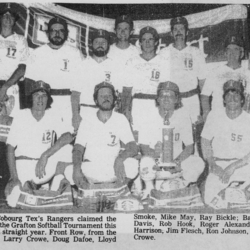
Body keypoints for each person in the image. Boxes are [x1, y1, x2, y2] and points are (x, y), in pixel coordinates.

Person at [5, 80, 74, 207]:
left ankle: (56, 181)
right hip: (24, 167)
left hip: (44, 166)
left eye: (44, 96)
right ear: (31, 98)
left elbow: (68, 136)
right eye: (37, 95)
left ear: (48, 99)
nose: (40, 99)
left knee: (68, 150)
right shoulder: (21, 116)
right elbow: (9, 148)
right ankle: (32, 187)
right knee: (14, 201)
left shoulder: (53, 114)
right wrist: (13, 177)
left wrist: (45, 155)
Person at [138, 81, 204, 198]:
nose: (166, 98)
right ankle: (150, 189)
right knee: (145, 162)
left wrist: (177, 161)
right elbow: (143, 146)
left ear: (177, 99)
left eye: (170, 95)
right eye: (163, 95)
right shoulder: (148, 115)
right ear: (157, 99)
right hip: (156, 163)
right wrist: (155, 156)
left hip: (176, 164)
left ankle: (181, 183)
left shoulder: (183, 115)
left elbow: (189, 147)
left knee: (198, 163)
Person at [65, 82, 139, 186]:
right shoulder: (87, 120)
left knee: (133, 165)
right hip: (92, 168)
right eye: (102, 96)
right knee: (69, 170)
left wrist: (120, 159)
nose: (106, 98)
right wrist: (77, 169)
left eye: (109, 95)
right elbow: (78, 149)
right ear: (96, 100)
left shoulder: (120, 119)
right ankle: (88, 190)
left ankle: (119, 189)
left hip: (113, 168)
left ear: (114, 99)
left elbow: (133, 147)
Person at [24, 16, 84, 132]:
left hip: (67, 103)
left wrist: (75, 113)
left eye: (61, 31)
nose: (57, 33)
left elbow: (78, 87)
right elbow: (28, 86)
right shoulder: (37, 54)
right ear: (48, 33)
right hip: (43, 102)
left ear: (66, 34)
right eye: (54, 30)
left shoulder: (75, 53)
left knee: (67, 138)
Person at [201, 80, 250, 208]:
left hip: (242, 165)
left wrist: (234, 166)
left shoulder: (248, 119)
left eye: (236, 95)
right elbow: (205, 141)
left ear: (242, 100)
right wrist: (211, 163)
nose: (232, 99)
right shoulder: (214, 115)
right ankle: (234, 195)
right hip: (219, 165)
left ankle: (238, 194)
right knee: (209, 200)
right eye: (228, 96)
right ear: (224, 100)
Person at [71, 29, 126, 127]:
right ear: (91, 44)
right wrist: (75, 115)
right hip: (86, 111)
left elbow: (120, 95)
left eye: (103, 42)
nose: (100, 44)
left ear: (108, 45)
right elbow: (75, 94)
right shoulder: (82, 65)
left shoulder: (116, 66)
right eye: (97, 42)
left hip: (108, 113)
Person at [159, 16, 206, 124]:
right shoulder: (164, 53)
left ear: (187, 32)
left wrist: (205, 110)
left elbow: (203, 83)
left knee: (192, 136)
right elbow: (160, 83)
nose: (178, 32)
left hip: (192, 100)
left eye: (181, 29)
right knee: (171, 135)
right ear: (171, 33)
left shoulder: (196, 52)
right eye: (175, 29)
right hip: (171, 101)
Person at [125, 26, 169, 133]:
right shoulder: (132, 62)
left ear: (156, 42)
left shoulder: (164, 62)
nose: (147, 43)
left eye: (150, 39)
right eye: (144, 40)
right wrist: (126, 111)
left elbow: (167, 89)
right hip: (138, 105)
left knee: (157, 140)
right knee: (138, 141)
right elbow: (127, 90)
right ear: (139, 43)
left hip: (157, 106)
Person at [201, 34, 250, 120]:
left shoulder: (247, 74)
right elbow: (205, 95)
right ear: (225, 53)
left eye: (236, 49)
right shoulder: (215, 72)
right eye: (229, 49)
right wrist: (207, 115)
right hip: (219, 118)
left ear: (241, 53)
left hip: (241, 119)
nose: (232, 53)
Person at [0, 5, 29, 117]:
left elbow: (22, 68)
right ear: (0, 18)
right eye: (5, 16)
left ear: (15, 21)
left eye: (11, 16)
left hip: (11, 87)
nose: (8, 18)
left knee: (8, 124)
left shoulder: (21, 40)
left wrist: (5, 87)